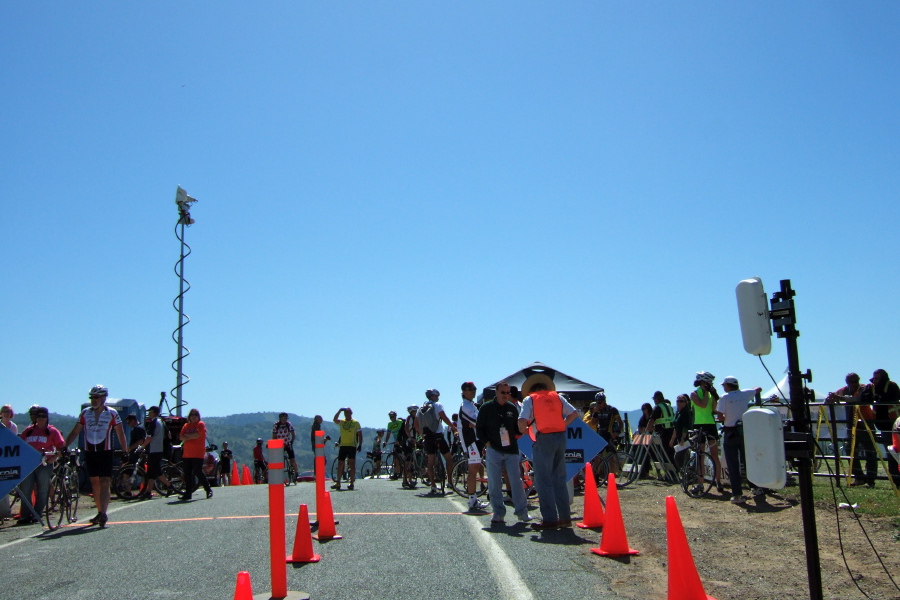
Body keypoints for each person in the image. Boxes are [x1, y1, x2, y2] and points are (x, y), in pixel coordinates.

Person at [517, 381, 579, 530]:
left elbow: (522, 420)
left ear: (532, 390)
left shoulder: (530, 399)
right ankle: (565, 518)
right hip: (560, 437)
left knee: (543, 480)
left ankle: (550, 519)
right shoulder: (557, 397)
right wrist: (563, 425)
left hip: (543, 438)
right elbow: (574, 413)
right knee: (559, 478)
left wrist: (523, 430)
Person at [64, 385, 128, 527]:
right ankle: (99, 512)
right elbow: (76, 431)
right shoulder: (85, 413)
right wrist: (64, 445)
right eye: (92, 397)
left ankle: (103, 513)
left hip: (106, 451)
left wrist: (125, 451)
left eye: (96, 397)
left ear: (103, 398)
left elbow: (120, 433)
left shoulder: (112, 413)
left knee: (105, 480)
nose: (94, 400)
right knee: (94, 482)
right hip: (90, 451)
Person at [476, 381, 531, 525]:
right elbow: (479, 429)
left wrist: (523, 428)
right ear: (496, 392)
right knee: (494, 482)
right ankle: (498, 513)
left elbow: (516, 428)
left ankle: (522, 512)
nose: (506, 395)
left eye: (508, 393)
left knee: (516, 481)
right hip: (494, 449)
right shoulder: (486, 408)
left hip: (511, 450)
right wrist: (487, 443)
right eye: (503, 392)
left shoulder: (512, 408)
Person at [714, 376, 764, 504]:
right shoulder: (745, 394)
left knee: (733, 464)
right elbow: (758, 389)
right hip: (744, 430)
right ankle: (755, 487)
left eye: (724, 385)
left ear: (728, 386)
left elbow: (720, 417)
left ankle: (737, 494)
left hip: (730, 432)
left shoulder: (724, 398)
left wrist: (728, 417)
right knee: (748, 461)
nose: (723, 387)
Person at [826, 372, 877, 487]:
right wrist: (830, 399)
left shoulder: (865, 388)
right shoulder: (843, 390)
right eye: (851, 382)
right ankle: (859, 477)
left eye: (856, 381)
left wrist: (840, 398)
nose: (854, 384)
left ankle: (870, 480)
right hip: (851, 424)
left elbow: (858, 399)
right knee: (850, 451)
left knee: (870, 452)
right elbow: (831, 398)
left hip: (865, 422)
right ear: (847, 382)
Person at [17, 407, 65, 524]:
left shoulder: (52, 431)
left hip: (44, 464)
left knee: (42, 489)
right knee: (25, 489)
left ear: (47, 417)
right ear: (35, 418)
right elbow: (19, 444)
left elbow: (61, 447)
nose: (41, 418)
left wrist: (53, 458)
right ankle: (25, 515)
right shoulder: (28, 431)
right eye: (39, 416)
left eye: (43, 416)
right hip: (29, 464)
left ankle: (37, 513)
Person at [859, 369, 900, 485]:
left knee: (895, 452)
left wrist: (876, 397)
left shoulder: (891, 385)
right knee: (891, 452)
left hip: (895, 425)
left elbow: (888, 397)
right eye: (874, 378)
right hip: (883, 424)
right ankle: (895, 480)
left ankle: (897, 479)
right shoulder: (871, 387)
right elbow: (864, 398)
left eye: (878, 378)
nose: (875, 381)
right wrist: (875, 396)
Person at [415, 389, 457, 496]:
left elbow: (416, 424)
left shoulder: (421, 408)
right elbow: (444, 417)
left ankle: (433, 486)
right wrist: (453, 427)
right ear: (434, 396)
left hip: (428, 437)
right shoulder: (437, 405)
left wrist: (421, 435)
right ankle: (450, 482)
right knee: (448, 458)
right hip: (438, 435)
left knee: (430, 462)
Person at [690, 371, 725, 493]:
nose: (710, 385)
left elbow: (713, 408)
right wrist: (705, 392)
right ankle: (700, 483)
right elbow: (703, 405)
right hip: (699, 426)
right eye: (708, 383)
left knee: (715, 454)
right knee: (700, 454)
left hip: (710, 425)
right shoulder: (694, 394)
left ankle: (718, 481)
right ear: (702, 382)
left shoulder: (711, 393)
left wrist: (714, 395)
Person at [457, 381, 487, 511]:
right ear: (463, 392)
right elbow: (478, 421)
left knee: (474, 468)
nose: (473, 391)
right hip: (471, 441)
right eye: (470, 389)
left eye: (474, 389)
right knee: (473, 469)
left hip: (476, 440)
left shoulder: (472, 405)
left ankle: (473, 498)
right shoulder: (465, 406)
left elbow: (478, 422)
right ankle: (472, 499)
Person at [179, 408, 212, 500]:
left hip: (198, 453)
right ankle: (188, 493)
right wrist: (191, 436)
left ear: (198, 416)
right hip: (187, 453)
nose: (193, 416)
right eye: (192, 415)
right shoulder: (186, 425)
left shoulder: (200, 424)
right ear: (189, 416)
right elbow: (181, 437)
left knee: (198, 472)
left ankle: (208, 489)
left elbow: (197, 435)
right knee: (187, 474)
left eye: (195, 415)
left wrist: (188, 436)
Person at [143, 406, 175, 496]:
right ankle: (148, 491)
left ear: (153, 412)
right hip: (160, 449)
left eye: (150, 412)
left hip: (154, 450)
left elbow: (149, 438)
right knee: (151, 472)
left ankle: (169, 485)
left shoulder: (153, 423)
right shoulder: (162, 422)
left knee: (156, 471)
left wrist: (142, 446)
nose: (149, 414)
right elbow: (169, 435)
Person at [332, 407, 362, 490]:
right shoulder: (342, 422)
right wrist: (339, 410)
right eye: (345, 413)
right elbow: (334, 419)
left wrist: (360, 444)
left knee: (352, 464)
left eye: (348, 412)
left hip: (352, 446)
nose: (346, 414)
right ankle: (338, 482)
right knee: (340, 464)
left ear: (351, 413)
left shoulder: (355, 423)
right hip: (343, 446)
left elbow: (360, 434)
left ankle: (351, 482)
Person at [648, 391, 676, 467]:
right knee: (671, 453)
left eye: (654, 399)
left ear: (657, 399)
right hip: (672, 432)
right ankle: (674, 472)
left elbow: (651, 420)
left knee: (665, 454)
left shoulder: (658, 407)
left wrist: (648, 430)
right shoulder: (669, 406)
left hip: (663, 433)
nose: (654, 401)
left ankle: (669, 474)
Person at [669, 394, 694, 471]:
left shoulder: (686, 413)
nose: (679, 403)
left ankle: (688, 473)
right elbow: (676, 428)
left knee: (679, 458)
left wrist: (683, 439)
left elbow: (685, 427)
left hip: (686, 439)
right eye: (677, 401)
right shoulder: (677, 413)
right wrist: (672, 439)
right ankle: (686, 474)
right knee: (680, 459)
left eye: (681, 401)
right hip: (678, 439)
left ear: (685, 403)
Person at [272, 412, 299, 480]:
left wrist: (292, 441)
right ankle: (278, 474)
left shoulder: (288, 424)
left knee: (292, 459)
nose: (284, 419)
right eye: (283, 418)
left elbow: (293, 434)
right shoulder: (276, 425)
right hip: (279, 444)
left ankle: (296, 473)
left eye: (285, 418)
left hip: (287, 443)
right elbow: (274, 436)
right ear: (280, 418)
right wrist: (274, 443)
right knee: (278, 460)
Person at [382, 411, 404, 479]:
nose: (391, 418)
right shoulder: (389, 424)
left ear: (395, 416)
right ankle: (395, 473)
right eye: (390, 417)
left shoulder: (400, 422)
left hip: (402, 441)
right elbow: (388, 434)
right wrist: (385, 441)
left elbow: (405, 430)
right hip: (396, 442)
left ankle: (404, 471)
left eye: (393, 416)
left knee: (404, 457)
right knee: (396, 458)